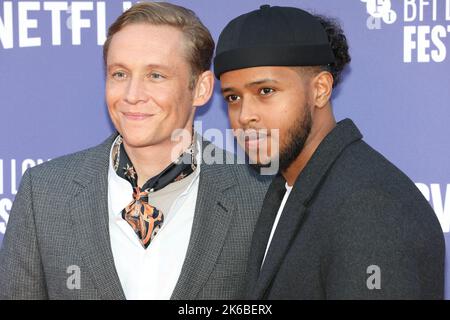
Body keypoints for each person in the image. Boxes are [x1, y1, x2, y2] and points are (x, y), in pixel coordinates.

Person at [0, 2, 270, 300]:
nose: (132, 95)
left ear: (202, 88)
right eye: (119, 74)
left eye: (155, 76)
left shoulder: (259, 195)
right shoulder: (45, 193)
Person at [214, 5, 445, 299]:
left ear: (320, 89)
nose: (245, 115)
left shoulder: (370, 206)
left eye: (265, 91)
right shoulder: (288, 187)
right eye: (233, 97)